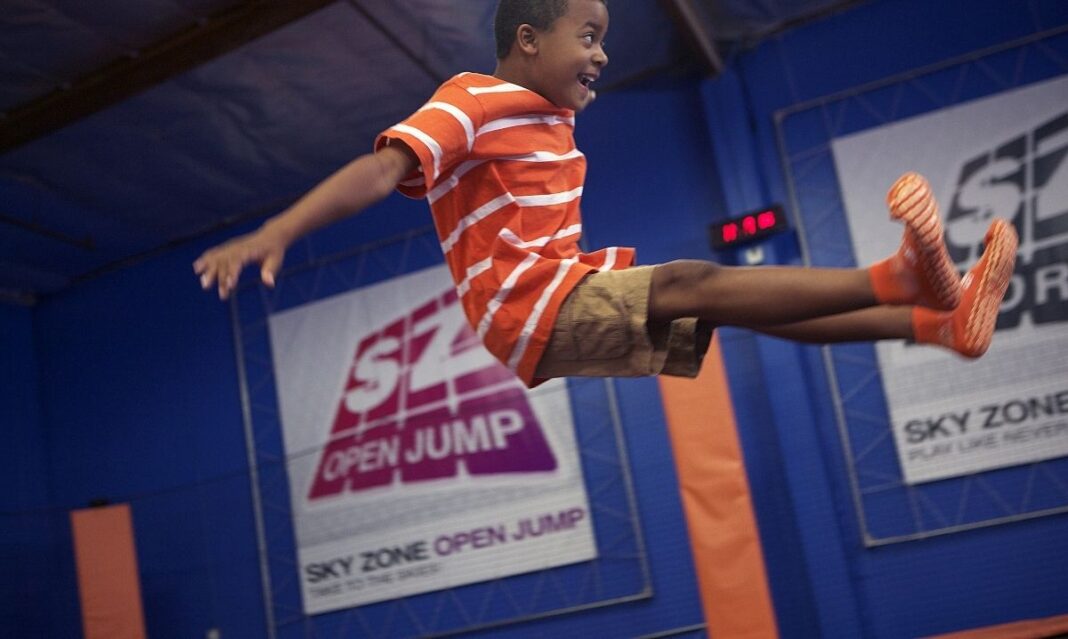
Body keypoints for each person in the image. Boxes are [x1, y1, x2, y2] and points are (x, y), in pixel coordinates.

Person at [194, 0, 1018, 387]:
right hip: (526, 308)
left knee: (733, 308)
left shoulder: (549, 118)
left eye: (604, 41)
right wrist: (277, 231)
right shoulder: (473, 99)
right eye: (587, 37)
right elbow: (382, 168)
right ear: (527, 40)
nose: (601, 55)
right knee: (694, 281)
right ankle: (899, 278)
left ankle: (937, 325)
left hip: (558, 290)